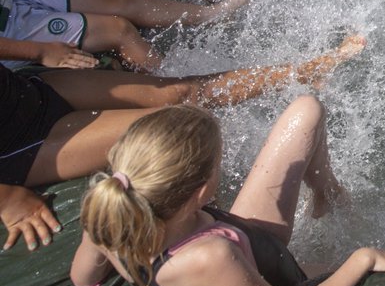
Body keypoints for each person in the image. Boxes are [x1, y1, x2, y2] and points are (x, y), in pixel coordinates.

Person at [1, 34, 363, 251]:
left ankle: (310, 70)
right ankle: (233, 235)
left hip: (23, 95)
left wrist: (35, 52)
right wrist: (7, 199)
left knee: (181, 92)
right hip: (20, 146)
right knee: (174, 131)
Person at [71, 102, 385, 286]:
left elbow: (83, 279)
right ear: (203, 192)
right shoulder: (210, 258)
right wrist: (362, 259)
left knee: (306, 112)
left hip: (247, 245)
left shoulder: (107, 209)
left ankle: (327, 194)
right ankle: (343, 232)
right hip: (277, 282)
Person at [1, 0, 256, 73]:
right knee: (119, 31)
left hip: (8, 0)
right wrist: (40, 52)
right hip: (10, 35)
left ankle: (211, 14)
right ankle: (176, 83)